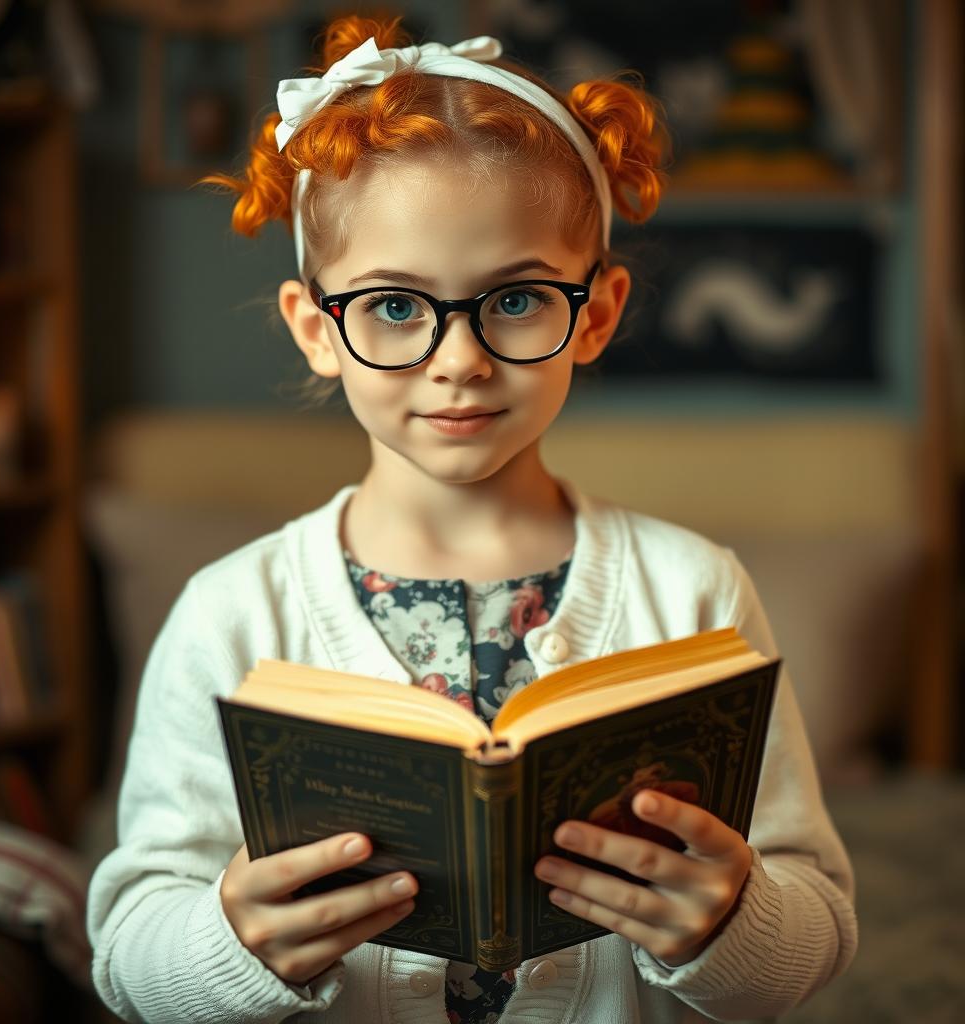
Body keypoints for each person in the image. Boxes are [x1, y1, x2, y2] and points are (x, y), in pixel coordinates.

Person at [86, 14, 857, 1024]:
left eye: (517, 300)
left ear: (596, 313)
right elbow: (128, 952)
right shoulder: (229, 612)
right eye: (395, 307)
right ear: (317, 329)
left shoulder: (695, 590)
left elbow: (815, 927)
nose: (460, 360)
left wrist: (727, 924)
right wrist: (231, 941)